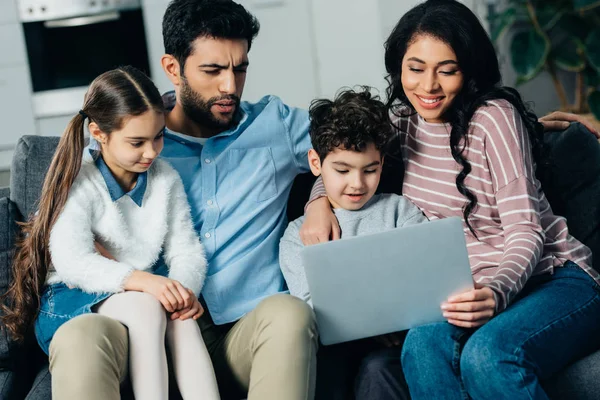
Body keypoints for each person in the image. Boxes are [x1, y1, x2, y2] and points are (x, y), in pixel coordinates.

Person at [302, 1, 600, 399]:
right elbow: (343, 155)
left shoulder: (494, 118)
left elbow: (528, 232)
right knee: (422, 347)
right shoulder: (402, 125)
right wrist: (317, 200)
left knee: (489, 355)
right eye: (416, 68)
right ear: (398, 68)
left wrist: (495, 293)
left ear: (468, 70)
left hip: (551, 277)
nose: (429, 86)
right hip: (465, 291)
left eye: (447, 70)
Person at [36, 1, 318, 399]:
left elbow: (352, 148)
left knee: (290, 314)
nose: (230, 86)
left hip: (242, 326)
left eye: (240, 68)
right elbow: (72, 250)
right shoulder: (124, 150)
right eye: (212, 70)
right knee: (82, 334)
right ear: (173, 68)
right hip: (138, 329)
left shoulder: (276, 125)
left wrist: (320, 197)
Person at [1, 66, 220, 400]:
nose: (152, 152)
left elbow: (187, 251)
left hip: (145, 288)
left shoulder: (166, 178)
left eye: (158, 136)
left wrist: (182, 292)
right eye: (137, 142)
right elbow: (74, 262)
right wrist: (145, 282)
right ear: (99, 133)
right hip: (74, 295)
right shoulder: (76, 181)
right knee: (148, 308)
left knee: (182, 320)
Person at [279, 87, 427, 399]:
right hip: (336, 348)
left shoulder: (400, 211)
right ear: (316, 164)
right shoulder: (299, 235)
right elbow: (310, 306)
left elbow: (425, 280)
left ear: (382, 164)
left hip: (397, 344)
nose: (357, 183)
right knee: (326, 367)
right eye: (342, 170)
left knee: (379, 370)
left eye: (370, 170)